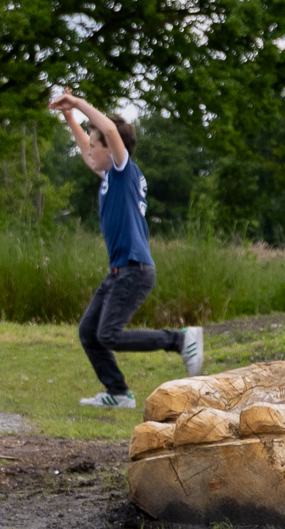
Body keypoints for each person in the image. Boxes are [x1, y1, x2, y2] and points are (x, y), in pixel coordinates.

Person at [48, 92, 204, 408]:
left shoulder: (123, 169)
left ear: (112, 146)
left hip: (134, 269)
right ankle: (118, 393)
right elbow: (86, 151)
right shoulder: (110, 176)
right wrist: (69, 119)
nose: (90, 149)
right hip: (120, 270)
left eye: (96, 142)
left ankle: (179, 339)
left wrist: (77, 103)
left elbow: (109, 131)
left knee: (108, 335)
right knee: (89, 332)